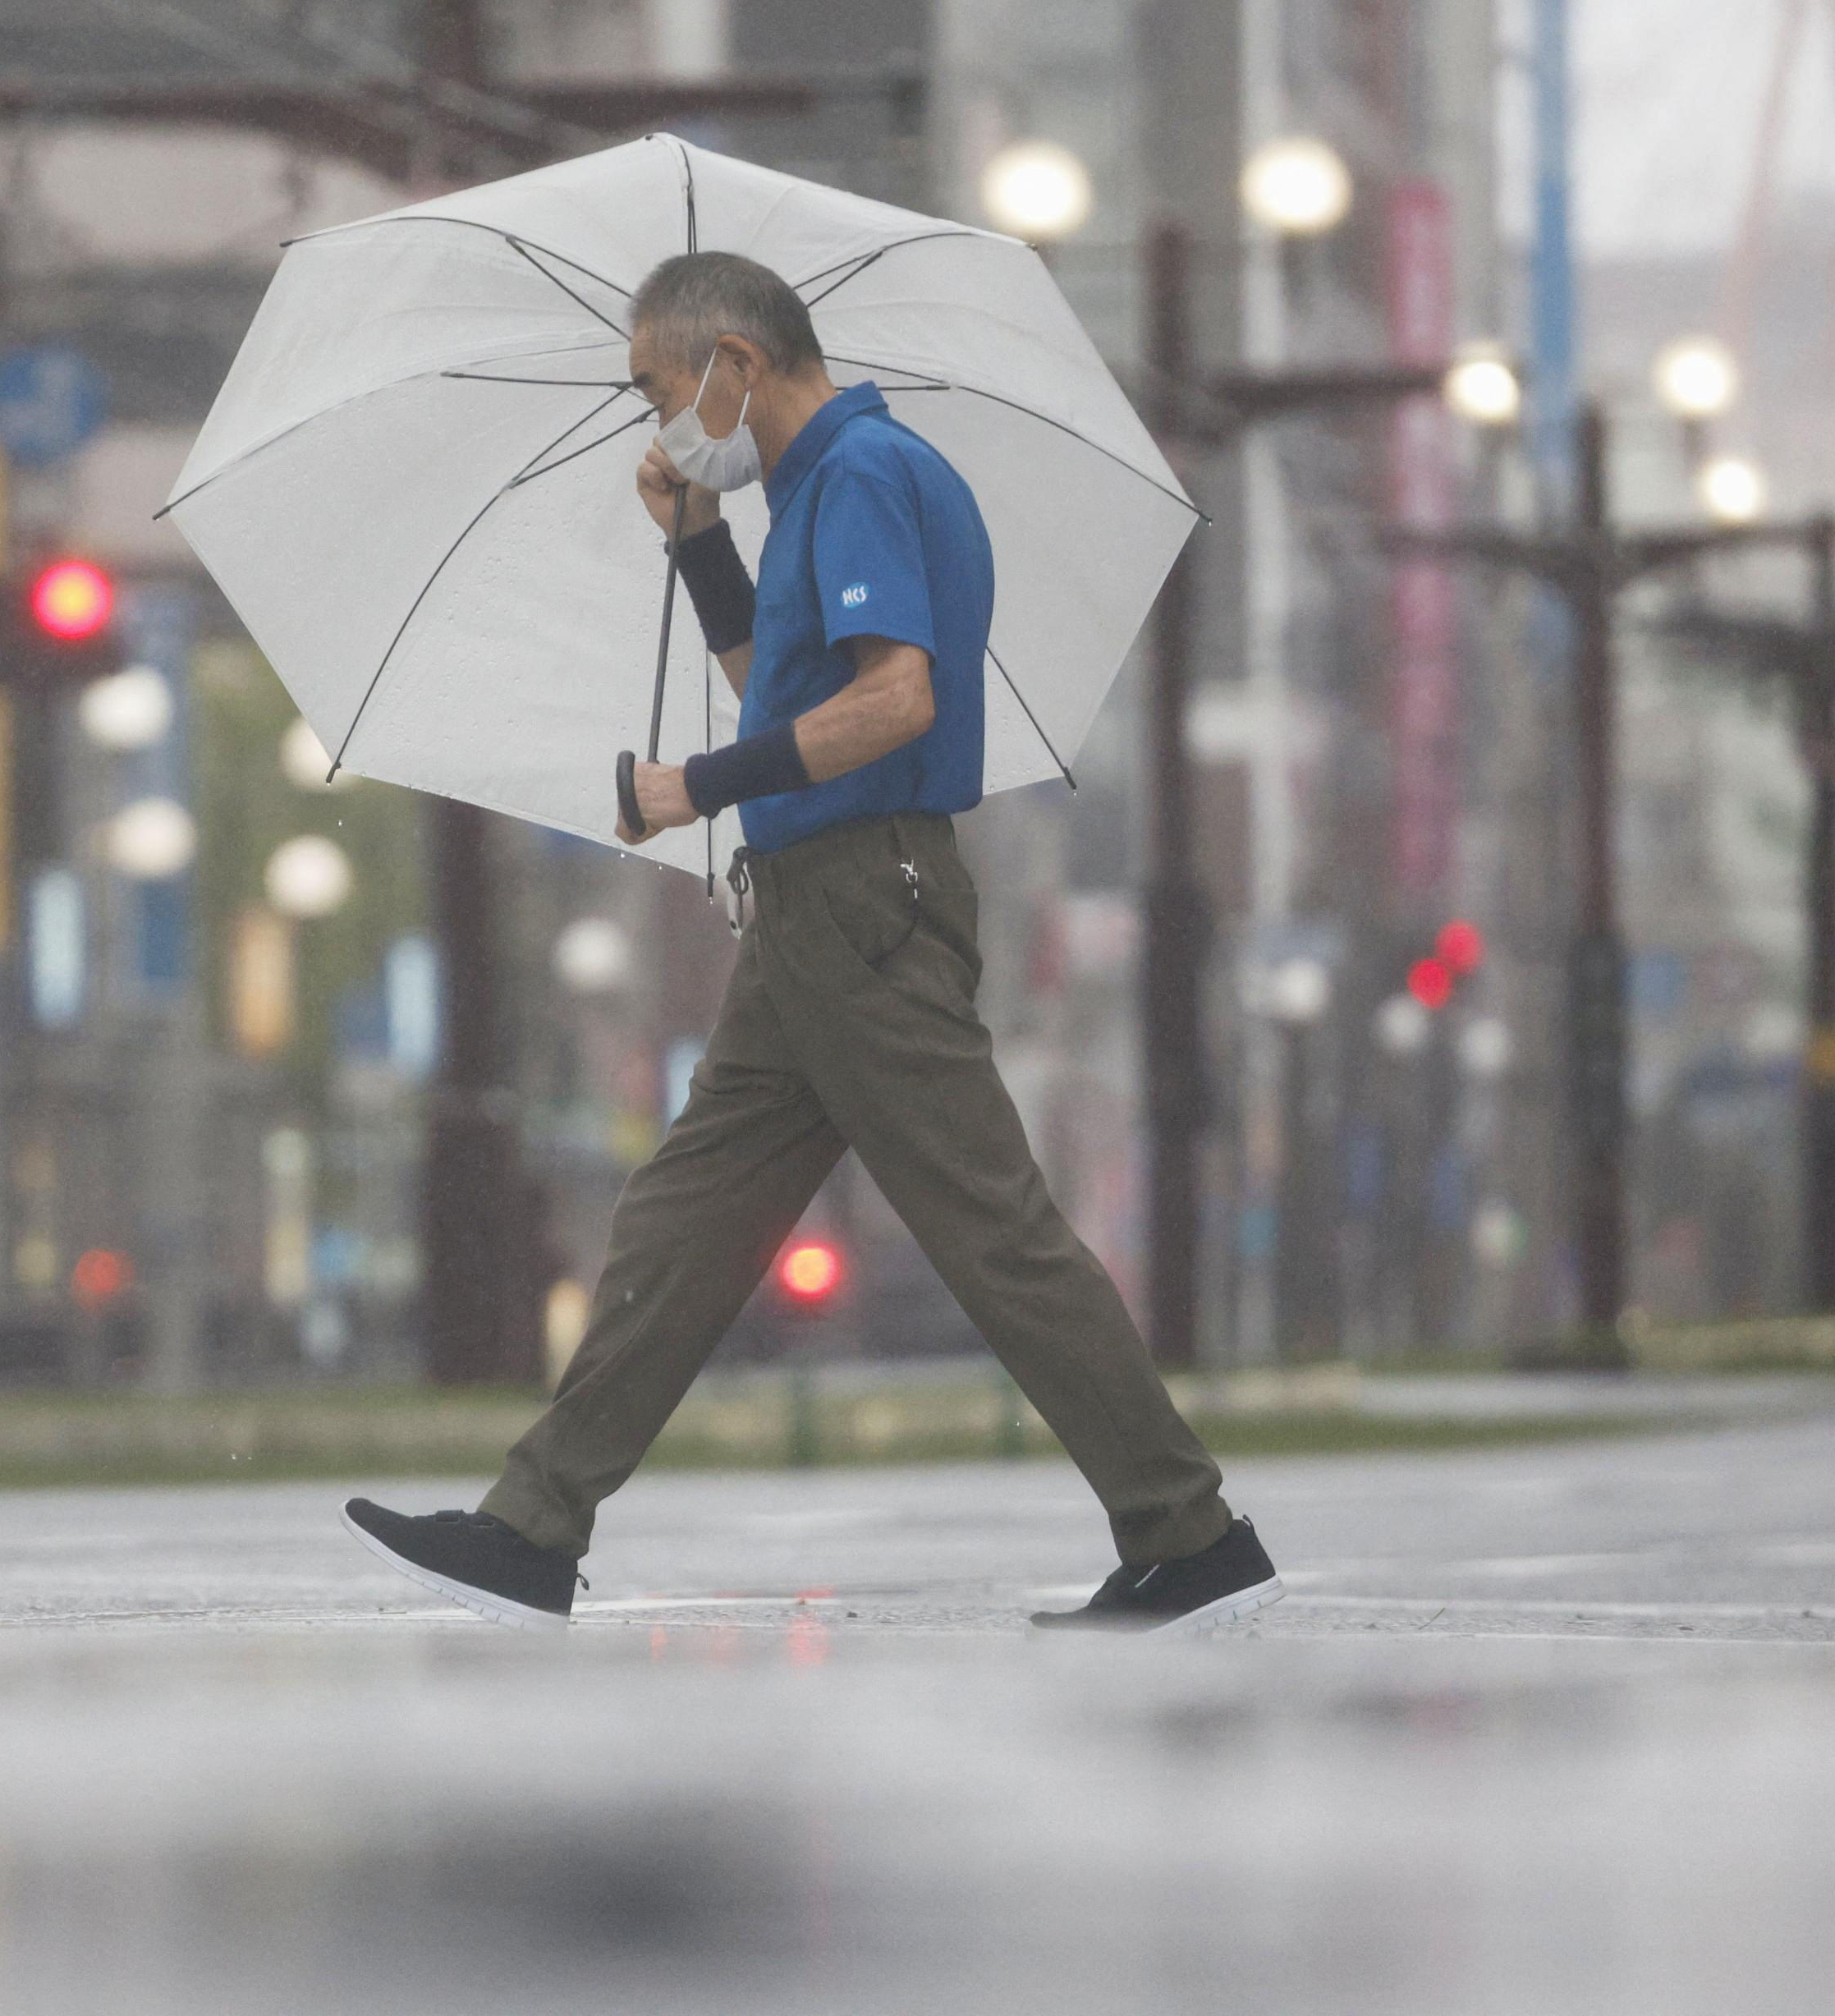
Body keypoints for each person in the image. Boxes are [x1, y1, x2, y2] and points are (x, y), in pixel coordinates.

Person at [342, 252, 1282, 1636]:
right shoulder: (812, 493)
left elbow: (894, 701)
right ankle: (533, 1523)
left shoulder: (860, 475)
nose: (658, 422)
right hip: (815, 911)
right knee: (684, 1222)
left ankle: (1185, 1526)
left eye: (659, 390)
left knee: (991, 1229)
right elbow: (781, 693)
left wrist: (689, 789)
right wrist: (696, 543)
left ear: (734, 358)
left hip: (862, 899)